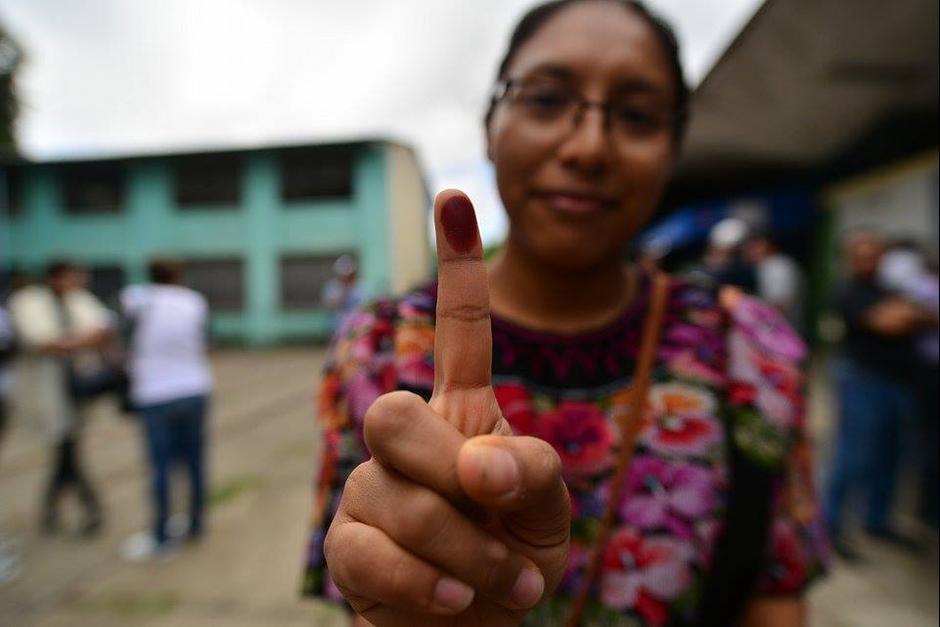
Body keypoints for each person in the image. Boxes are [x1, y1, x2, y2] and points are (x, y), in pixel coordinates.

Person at [302, 2, 827, 625]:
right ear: (490, 125)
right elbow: (363, 591)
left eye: (637, 115)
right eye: (547, 100)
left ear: (673, 149)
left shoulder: (747, 349)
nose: (588, 147)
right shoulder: (381, 345)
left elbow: (774, 599)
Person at [823, 230, 935, 559]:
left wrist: (908, 315)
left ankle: (877, 520)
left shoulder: (887, 289)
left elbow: (924, 317)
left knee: (891, 455)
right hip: (863, 382)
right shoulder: (847, 291)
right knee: (854, 456)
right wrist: (909, 316)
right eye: (862, 253)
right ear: (850, 257)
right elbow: (889, 324)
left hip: (897, 383)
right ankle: (830, 526)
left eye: (874, 253)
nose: (869, 259)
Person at [7, 261, 111, 536]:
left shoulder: (78, 300)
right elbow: (41, 342)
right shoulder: (28, 302)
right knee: (68, 451)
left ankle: (51, 509)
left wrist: (66, 343)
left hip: (77, 389)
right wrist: (79, 340)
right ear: (54, 278)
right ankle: (91, 509)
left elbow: (103, 329)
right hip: (48, 392)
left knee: (66, 453)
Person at [120, 258, 212, 558]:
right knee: (195, 463)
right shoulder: (195, 301)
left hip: (155, 393)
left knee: (159, 467)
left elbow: (118, 327)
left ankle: (161, 536)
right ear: (180, 274)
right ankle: (196, 524)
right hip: (195, 388)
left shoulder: (138, 299)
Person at [743, 231, 804, 331]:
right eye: (750, 247)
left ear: (771, 247)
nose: (752, 252)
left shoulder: (777, 267)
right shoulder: (767, 266)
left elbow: (779, 305)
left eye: (756, 247)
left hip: (782, 334)